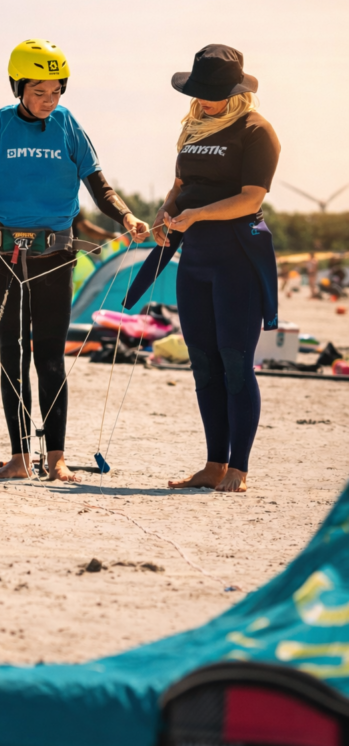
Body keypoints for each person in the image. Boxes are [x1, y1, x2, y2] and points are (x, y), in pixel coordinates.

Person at [0, 39, 149, 481]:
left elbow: (100, 187)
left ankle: (55, 458)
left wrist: (127, 216)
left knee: (50, 357)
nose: (48, 100)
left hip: (55, 255)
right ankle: (20, 459)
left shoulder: (67, 126)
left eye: (56, 91)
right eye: (39, 91)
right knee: (12, 354)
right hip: (2, 255)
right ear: (18, 86)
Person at [126, 44, 280, 493]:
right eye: (199, 91)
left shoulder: (256, 131)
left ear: (235, 91)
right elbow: (180, 186)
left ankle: (239, 468)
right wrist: (164, 213)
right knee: (204, 364)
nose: (203, 99)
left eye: (212, 92)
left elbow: (252, 197)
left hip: (237, 255)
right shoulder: (192, 127)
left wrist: (197, 215)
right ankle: (214, 465)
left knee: (235, 361)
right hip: (194, 258)